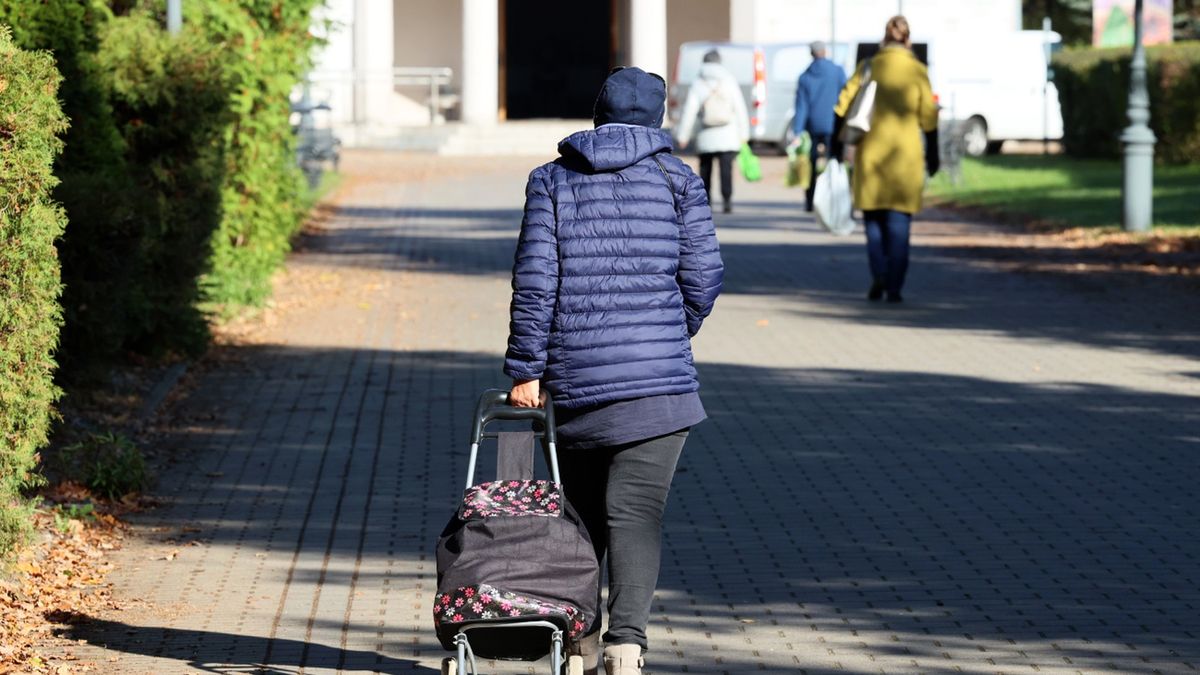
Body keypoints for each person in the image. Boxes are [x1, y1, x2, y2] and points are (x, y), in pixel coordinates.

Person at [504, 66, 724, 675]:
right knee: (635, 516)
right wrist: (669, 332)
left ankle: (577, 645)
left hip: (575, 385)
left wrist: (527, 368)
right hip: (660, 390)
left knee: (578, 516)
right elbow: (704, 276)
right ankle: (627, 649)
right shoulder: (678, 179)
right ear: (657, 118)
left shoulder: (550, 180)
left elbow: (534, 282)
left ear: (597, 114)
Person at [833, 15, 939, 304]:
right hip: (905, 161)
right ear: (907, 39)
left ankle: (878, 272)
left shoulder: (868, 66)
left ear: (885, 37)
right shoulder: (917, 70)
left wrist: (835, 147)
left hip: (870, 157)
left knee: (873, 223)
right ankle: (894, 286)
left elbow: (842, 105)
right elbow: (929, 118)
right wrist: (934, 154)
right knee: (899, 226)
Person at [674, 49, 750, 213]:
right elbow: (740, 108)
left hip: (706, 133)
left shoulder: (698, 82)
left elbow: (689, 111)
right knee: (726, 169)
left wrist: (683, 135)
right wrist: (744, 134)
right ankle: (727, 201)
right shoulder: (729, 80)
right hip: (728, 133)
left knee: (705, 169)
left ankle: (706, 202)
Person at [792, 40, 846, 212]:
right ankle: (834, 200)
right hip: (833, 125)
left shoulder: (805, 76)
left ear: (812, 54)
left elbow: (801, 107)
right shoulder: (837, 72)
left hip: (812, 126)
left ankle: (810, 201)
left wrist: (797, 132)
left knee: (811, 165)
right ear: (825, 51)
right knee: (834, 163)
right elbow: (844, 98)